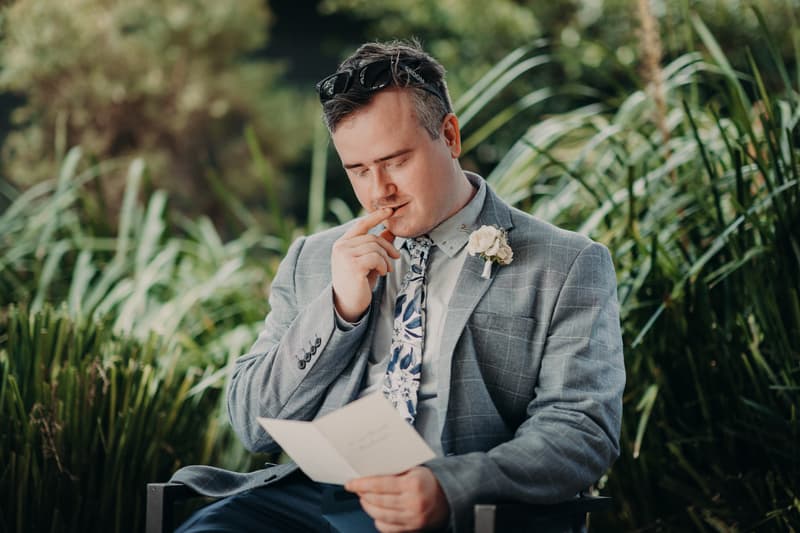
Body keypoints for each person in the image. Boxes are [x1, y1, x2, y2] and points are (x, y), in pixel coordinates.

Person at [171, 40, 625, 533]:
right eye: (358, 170)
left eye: (396, 161)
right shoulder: (314, 259)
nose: (378, 189)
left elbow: (582, 430)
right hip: (317, 501)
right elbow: (251, 424)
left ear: (449, 136)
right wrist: (338, 310)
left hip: (465, 508)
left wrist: (450, 487)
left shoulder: (569, 262)